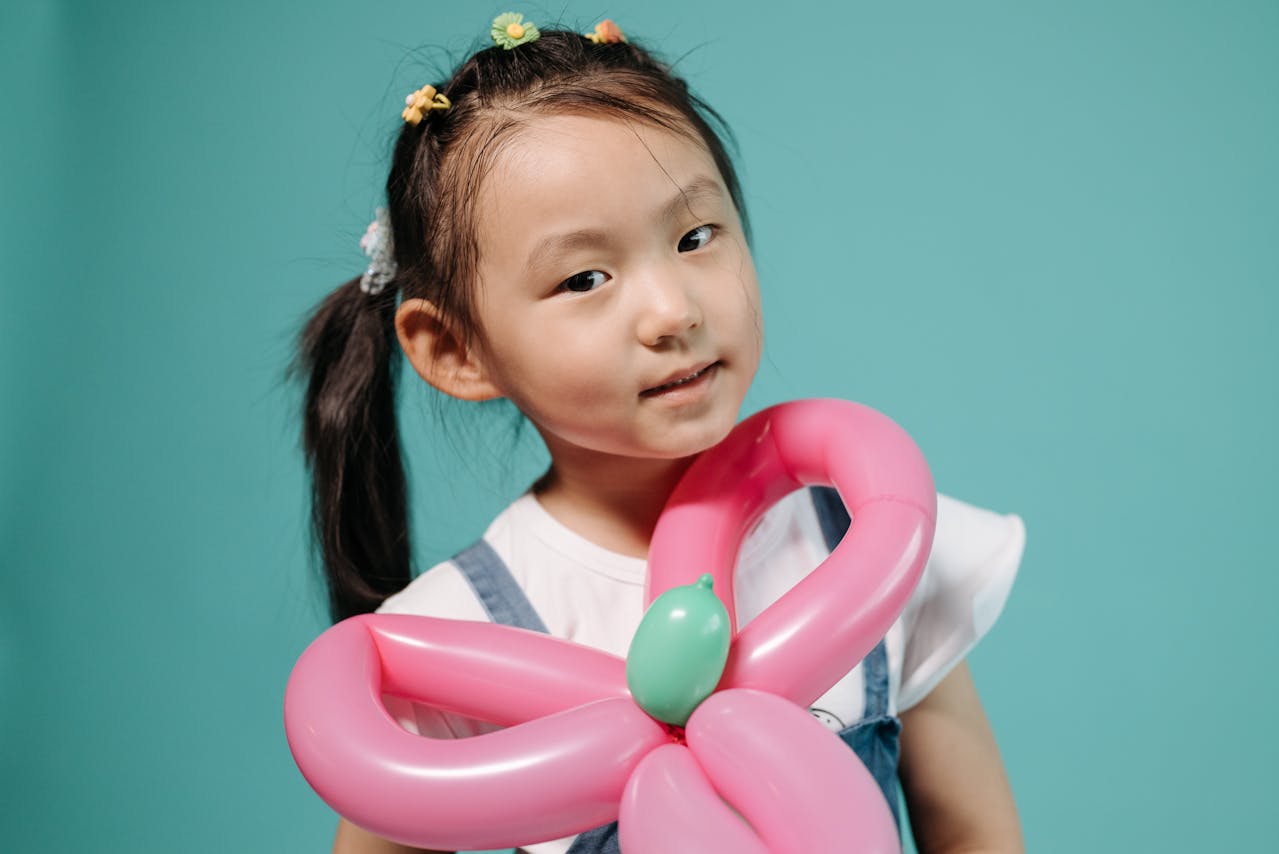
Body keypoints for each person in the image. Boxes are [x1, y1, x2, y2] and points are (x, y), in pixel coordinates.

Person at [294, 13, 1026, 854]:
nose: (673, 310)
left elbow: (974, 832)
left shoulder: (866, 544)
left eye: (694, 237)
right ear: (456, 351)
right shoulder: (448, 642)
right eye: (585, 278)